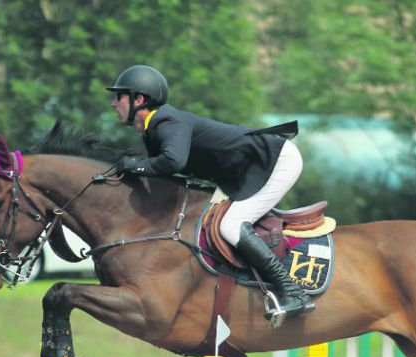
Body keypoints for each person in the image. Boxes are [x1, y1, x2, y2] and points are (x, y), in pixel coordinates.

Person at [107, 65, 315, 322]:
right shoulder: (155, 130)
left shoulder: (167, 121)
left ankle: (293, 292)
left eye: (118, 97)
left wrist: (134, 165)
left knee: (230, 226)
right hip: (247, 171)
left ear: (138, 100)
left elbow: (173, 162)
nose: (113, 103)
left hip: (275, 162)